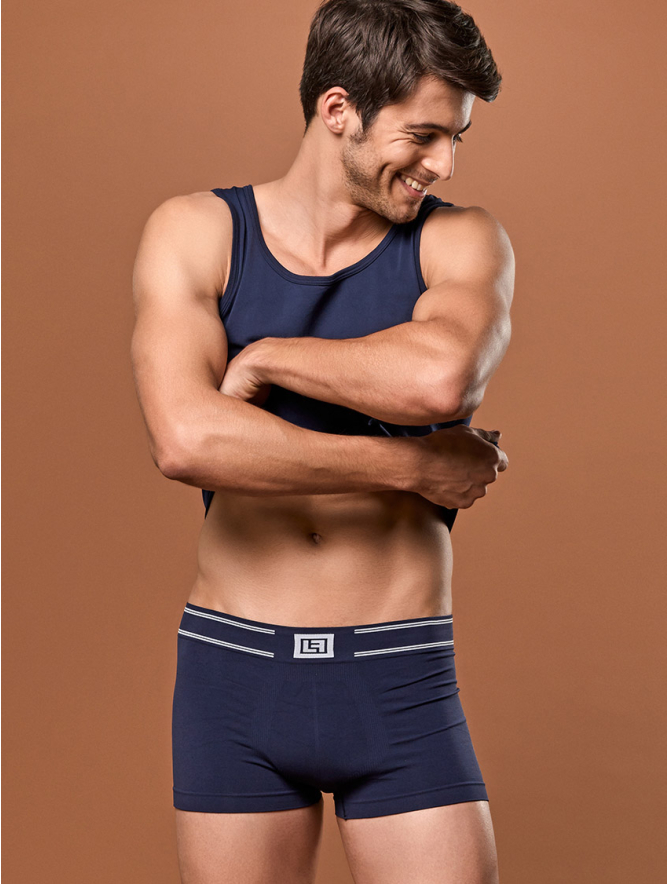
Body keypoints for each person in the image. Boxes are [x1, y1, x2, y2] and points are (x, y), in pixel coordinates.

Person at [131, 0, 514, 879]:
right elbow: (187, 439)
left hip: (399, 675)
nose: (443, 163)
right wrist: (413, 465)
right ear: (338, 109)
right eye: (423, 135)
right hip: (235, 676)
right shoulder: (197, 231)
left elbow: (441, 379)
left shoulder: (461, 238)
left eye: (456, 138)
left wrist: (267, 357)